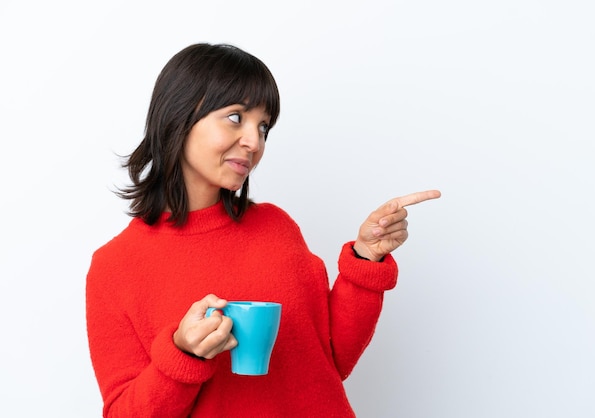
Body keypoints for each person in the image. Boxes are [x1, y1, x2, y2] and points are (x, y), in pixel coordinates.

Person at [86, 42, 441, 418]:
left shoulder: (276, 227)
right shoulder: (115, 268)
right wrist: (181, 354)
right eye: (236, 117)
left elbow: (332, 360)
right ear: (179, 115)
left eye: (264, 126)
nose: (254, 143)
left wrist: (367, 257)